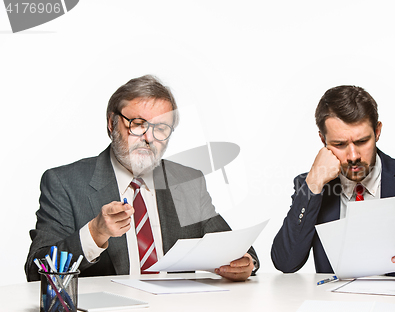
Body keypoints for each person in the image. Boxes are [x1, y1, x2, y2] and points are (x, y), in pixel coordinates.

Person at [26, 75, 258, 282]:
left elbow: (237, 249)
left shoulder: (186, 181)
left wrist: (244, 263)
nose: (148, 137)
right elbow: (36, 271)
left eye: (161, 128)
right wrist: (95, 233)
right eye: (137, 124)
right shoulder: (64, 183)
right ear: (112, 123)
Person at [271, 85, 395, 282]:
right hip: (336, 306)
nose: (353, 156)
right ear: (323, 139)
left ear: (377, 131)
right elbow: (286, 263)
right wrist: (313, 184)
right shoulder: (312, 185)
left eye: (362, 141)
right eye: (339, 144)